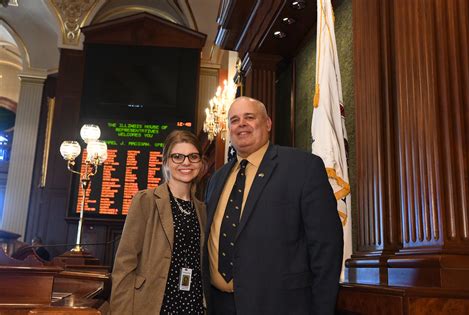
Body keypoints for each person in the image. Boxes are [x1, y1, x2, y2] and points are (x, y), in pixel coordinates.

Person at [205, 96, 343, 315]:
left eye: (249, 117)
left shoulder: (303, 167)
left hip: (281, 306)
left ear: (267, 123)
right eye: (234, 120)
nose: (241, 124)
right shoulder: (216, 179)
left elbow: (327, 247)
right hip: (219, 306)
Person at [110, 130, 207, 314]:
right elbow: (124, 265)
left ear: (200, 162)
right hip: (154, 304)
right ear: (166, 162)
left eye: (193, 156)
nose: (186, 162)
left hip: (193, 305)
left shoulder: (203, 210)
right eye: (178, 156)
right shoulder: (146, 200)